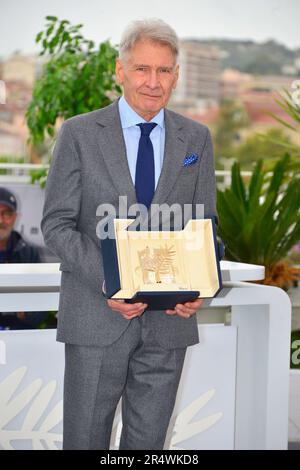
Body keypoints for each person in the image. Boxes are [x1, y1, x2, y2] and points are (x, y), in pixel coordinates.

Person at [41, 18, 217, 450]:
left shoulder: (196, 138)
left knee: (148, 447)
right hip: (97, 318)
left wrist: (200, 286)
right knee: (84, 441)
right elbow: (57, 224)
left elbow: (206, 225)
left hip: (169, 326)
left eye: (163, 71)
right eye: (142, 69)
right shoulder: (79, 134)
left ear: (176, 75)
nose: (153, 82)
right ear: (120, 71)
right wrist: (110, 282)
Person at [0, 187, 48, 329]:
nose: (1, 220)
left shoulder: (29, 253)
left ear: (15, 217)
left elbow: (42, 303)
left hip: (20, 335)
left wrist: (26, 313)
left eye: (7, 214)